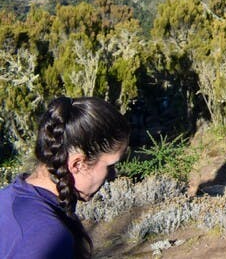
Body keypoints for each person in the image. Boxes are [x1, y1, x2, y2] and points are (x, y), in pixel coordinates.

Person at [0, 97, 130, 259]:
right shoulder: (46, 238)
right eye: (109, 166)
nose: (113, 175)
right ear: (78, 164)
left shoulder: (9, 199)